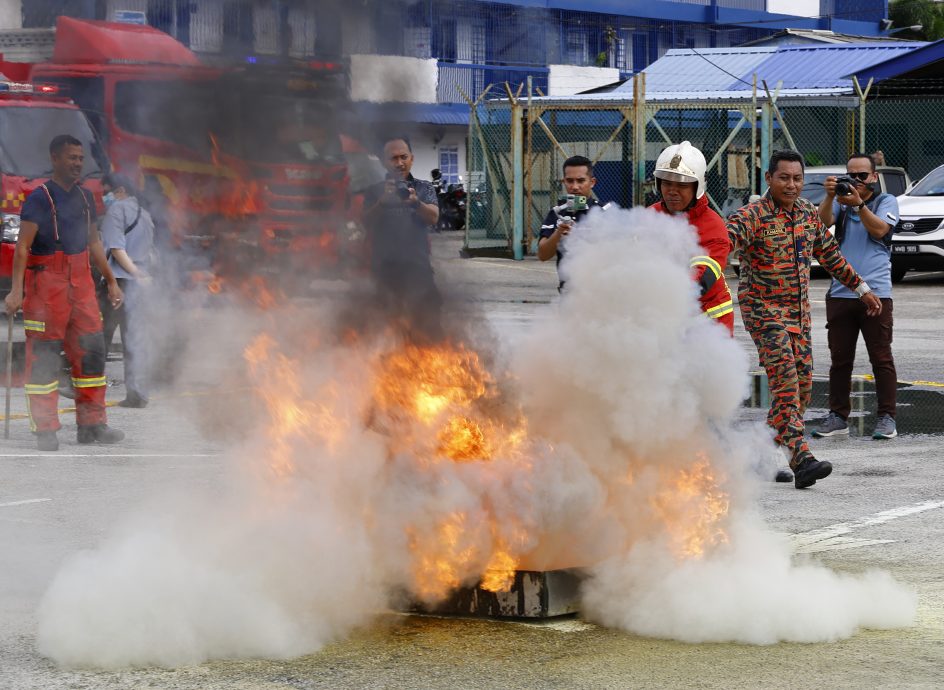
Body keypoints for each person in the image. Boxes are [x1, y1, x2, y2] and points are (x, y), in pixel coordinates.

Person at [727, 150, 882, 489]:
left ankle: (761, 451)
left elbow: (830, 256)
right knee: (784, 383)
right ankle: (802, 459)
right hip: (764, 314)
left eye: (797, 179)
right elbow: (724, 241)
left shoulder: (808, 215)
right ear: (769, 179)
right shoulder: (751, 216)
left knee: (800, 392)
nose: (792, 185)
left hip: (799, 316)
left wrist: (861, 288)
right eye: (784, 178)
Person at [3, 134, 125, 451]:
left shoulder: (85, 197)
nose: (78, 164)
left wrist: (111, 280)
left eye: (81, 159)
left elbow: (94, 242)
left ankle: (92, 426)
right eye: (72, 158)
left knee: (92, 355)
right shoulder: (39, 198)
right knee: (43, 358)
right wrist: (16, 291)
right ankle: (45, 429)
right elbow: (23, 247)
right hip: (47, 285)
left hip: (82, 281)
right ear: (55, 158)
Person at [813, 154, 899, 440]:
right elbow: (822, 225)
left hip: (877, 292)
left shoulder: (885, 201)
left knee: (881, 357)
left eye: (862, 176)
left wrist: (859, 204)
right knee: (840, 359)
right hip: (841, 292)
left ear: (873, 177)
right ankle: (838, 416)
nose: (856, 181)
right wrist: (828, 198)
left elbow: (880, 230)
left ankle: (887, 418)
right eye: (851, 175)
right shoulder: (841, 200)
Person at [648, 141, 734, 334]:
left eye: (681, 185)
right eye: (667, 183)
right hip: (664, 323)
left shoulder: (713, 227)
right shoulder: (650, 216)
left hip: (709, 329)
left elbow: (700, 282)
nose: (672, 191)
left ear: (697, 186)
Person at [362, 135, 440, 335]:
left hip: (419, 270)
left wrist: (416, 203)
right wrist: (382, 202)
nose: (399, 163)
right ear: (383, 162)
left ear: (412, 158)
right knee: (385, 327)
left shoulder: (424, 188)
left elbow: (433, 218)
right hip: (385, 271)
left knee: (426, 326)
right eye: (393, 158)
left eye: (403, 157)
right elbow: (364, 222)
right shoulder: (374, 191)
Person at [100, 172, 156, 409]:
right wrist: (144, 276)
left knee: (98, 337)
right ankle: (137, 394)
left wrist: (134, 273)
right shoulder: (145, 214)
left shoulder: (117, 210)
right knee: (134, 339)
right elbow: (151, 250)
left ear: (119, 190)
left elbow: (115, 249)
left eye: (106, 192)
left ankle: (88, 388)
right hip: (139, 285)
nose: (105, 197)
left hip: (119, 283)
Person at [538, 156, 603, 290]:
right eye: (569, 181)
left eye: (580, 181)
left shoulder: (604, 213)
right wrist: (558, 234)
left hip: (599, 294)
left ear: (592, 182)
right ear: (564, 181)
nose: (574, 187)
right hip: (568, 295)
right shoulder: (557, 213)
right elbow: (543, 255)